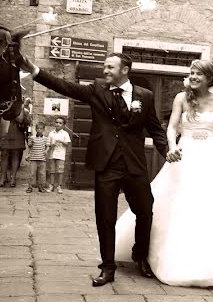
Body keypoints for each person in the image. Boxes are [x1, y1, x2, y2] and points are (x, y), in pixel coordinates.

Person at [114, 59, 213, 288]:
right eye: (192, 73)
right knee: (177, 205)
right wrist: (172, 147)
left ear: (209, 78)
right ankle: (163, 255)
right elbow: (172, 127)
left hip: (211, 160)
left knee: (210, 210)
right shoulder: (181, 98)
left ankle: (211, 263)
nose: (193, 77)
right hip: (185, 157)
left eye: (199, 74)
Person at [31, 53, 168, 286]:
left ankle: (140, 255)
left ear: (124, 70)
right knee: (105, 217)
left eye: (110, 67)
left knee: (145, 211)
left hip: (134, 164)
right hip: (107, 165)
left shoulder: (145, 96)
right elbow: (65, 87)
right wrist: (35, 72)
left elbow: (155, 129)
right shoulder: (96, 89)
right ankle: (107, 267)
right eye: (104, 66)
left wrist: (167, 151)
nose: (104, 70)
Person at [0, 111, 28, 188]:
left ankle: (13, 178)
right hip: (6, 132)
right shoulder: (5, 105)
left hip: (16, 132)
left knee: (15, 156)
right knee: (4, 155)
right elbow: (0, 118)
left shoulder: (20, 107)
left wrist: (10, 113)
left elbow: (20, 119)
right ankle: (3, 177)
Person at [47, 116, 72, 193]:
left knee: (60, 171)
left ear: (63, 125)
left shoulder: (65, 134)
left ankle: (59, 186)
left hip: (60, 155)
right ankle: (51, 185)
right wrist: (52, 145)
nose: (58, 124)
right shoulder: (51, 133)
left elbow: (67, 144)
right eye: (57, 122)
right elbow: (48, 144)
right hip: (52, 154)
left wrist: (61, 141)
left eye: (60, 123)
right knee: (52, 171)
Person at [25, 122, 48, 193]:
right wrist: (28, 155)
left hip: (42, 159)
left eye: (41, 129)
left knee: (42, 174)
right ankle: (30, 187)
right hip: (33, 158)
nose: (39, 130)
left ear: (43, 129)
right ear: (35, 129)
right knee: (32, 173)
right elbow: (29, 147)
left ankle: (41, 187)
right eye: (37, 128)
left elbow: (47, 146)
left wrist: (46, 151)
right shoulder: (32, 138)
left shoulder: (45, 138)